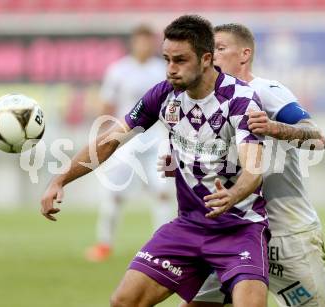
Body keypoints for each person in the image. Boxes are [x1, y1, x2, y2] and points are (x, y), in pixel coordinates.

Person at [41, 15, 269, 306]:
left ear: (206, 59)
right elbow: (110, 139)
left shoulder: (240, 99)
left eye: (180, 60)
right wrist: (60, 179)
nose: (171, 69)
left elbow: (254, 168)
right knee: (123, 301)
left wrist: (233, 195)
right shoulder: (164, 94)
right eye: (167, 59)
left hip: (239, 229)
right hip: (189, 227)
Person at [170, 23, 325, 306]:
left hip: (285, 233)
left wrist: (274, 127)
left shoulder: (266, 91)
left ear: (244, 54)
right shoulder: (211, 100)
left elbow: (317, 139)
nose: (213, 55)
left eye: (220, 48)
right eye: (211, 49)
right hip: (236, 232)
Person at [85, 24, 174, 262]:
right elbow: (107, 105)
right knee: (114, 193)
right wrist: (104, 136)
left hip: (157, 139)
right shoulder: (119, 70)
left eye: (148, 41)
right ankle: (104, 244)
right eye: (140, 40)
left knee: (163, 194)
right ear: (134, 42)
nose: (144, 45)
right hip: (126, 140)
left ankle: (162, 248)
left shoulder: (162, 70)